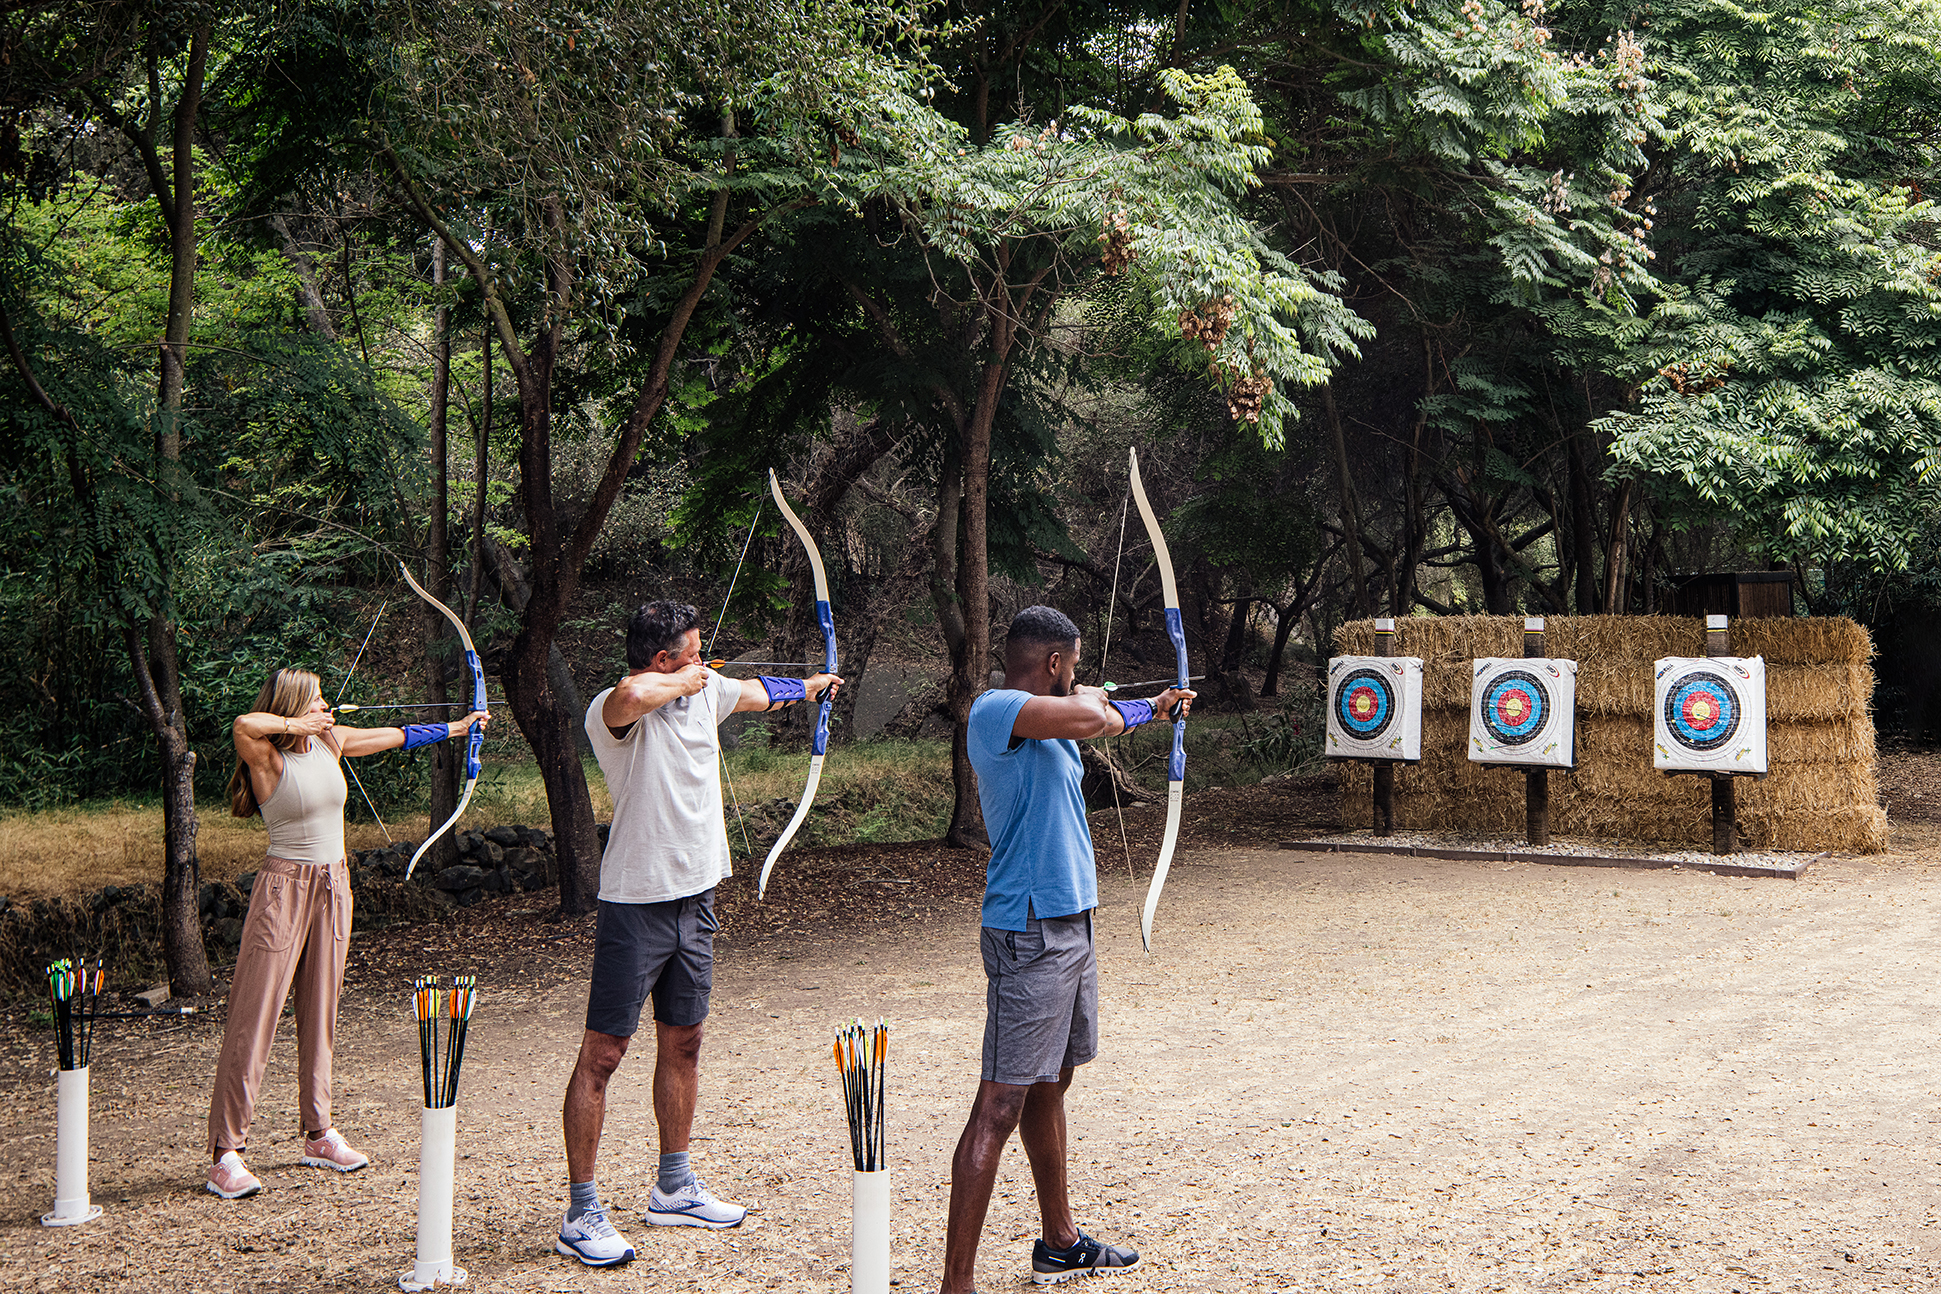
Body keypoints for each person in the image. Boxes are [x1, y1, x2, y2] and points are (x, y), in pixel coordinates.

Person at [556, 600, 842, 1267]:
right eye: (693, 650)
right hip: (636, 903)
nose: (705, 659)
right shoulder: (615, 710)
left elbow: (752, 692)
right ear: (664, 659)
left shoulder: (705, 691)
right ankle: (581, 1211)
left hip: (696, 896)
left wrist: (810, 688)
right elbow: (631, 694)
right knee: (602, 1057)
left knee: (684, 1042)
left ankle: (674, 1186)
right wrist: (689, 679)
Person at [939, 605, 1194, 1291]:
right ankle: (953, 1285)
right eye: (1073, 665)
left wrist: (1147, 707)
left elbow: (1087, 713)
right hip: (1028, 930)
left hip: (1069, 922)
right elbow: (1086, 716)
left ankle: (1058, 1242)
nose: (1076, 675)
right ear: (1053, 662)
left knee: (1050, 1083)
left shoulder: (1046, 722)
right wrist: (1123, 708)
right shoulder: (996, 710)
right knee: (998, 1103)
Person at [207, 667, 487, 1199]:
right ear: (293, 705)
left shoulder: (330, 744)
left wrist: (457, 728)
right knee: (255, 1012)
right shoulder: (268, 757)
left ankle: (318, 1132)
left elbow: (394, 736)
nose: (326, 707)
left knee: (322, 1008)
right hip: (284, 886)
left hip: (334, 884)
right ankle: (227, 1151)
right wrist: (299, 723)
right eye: (315, 700)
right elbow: (244, 721)